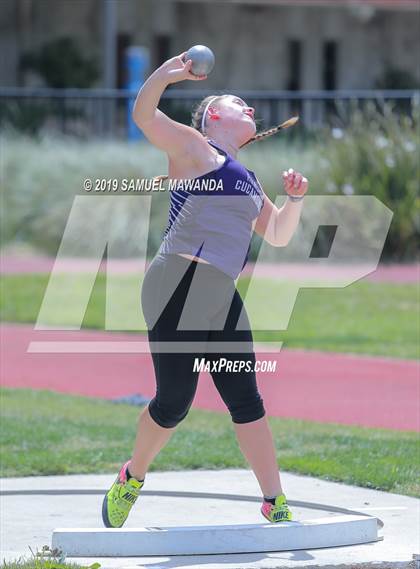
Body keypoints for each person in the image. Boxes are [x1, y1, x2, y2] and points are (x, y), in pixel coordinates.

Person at [102, 52, 308, 528]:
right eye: (237, 103)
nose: (248, 107)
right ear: (214, 116)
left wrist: (295, 199)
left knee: (247, 399)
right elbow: (143, 116)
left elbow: (277, 233)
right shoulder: (195, 149)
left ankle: (274, 501)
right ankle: (131, 478)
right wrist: (168, 74)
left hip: (221, 295)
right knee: (174, 402)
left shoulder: (250, 180)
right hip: (176, 282)